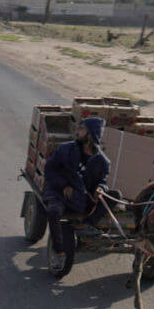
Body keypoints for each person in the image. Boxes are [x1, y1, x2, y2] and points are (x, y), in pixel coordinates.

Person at [43, 117, 111, 277]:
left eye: (81, 129)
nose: (77, 131)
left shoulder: (102, 161)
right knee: (53, 212)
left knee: (115, 195)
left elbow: (102, 180)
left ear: (90, 134)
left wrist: (100, 188)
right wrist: (64, 185)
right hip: (61, 195)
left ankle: (87, 225)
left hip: (83, 200)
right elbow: (49, 170)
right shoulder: (65, 149)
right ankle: (59, 252)